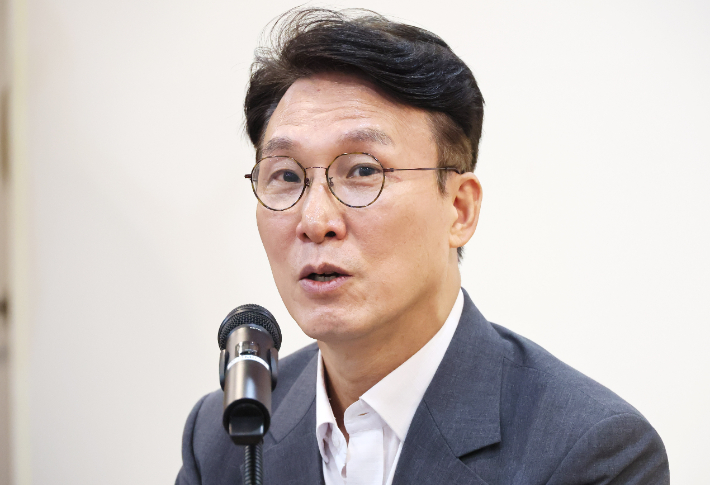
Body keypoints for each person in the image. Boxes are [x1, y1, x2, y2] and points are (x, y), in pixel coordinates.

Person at [176, 8, 669, 485]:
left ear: (459, 209)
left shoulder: (588, 451)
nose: (316, 221)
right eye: (286, 176)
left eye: (363, 171)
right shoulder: (225, 437)